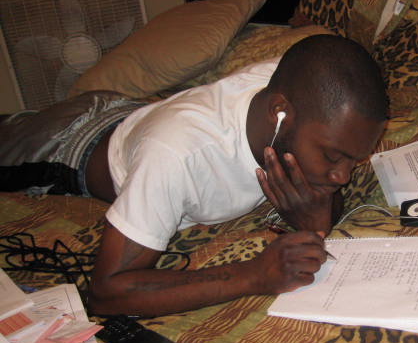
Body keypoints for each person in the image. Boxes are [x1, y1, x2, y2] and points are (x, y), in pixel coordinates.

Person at [0, 34, 388, 317]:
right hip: (66, 144)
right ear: (279, 112)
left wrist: (316, 217)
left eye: (354, 161)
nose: (342, 177)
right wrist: (253, 275)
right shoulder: (177, 156)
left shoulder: (305, 93)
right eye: (332, 156)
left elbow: (322, 204)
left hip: (136, 112)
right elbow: (107, 291)